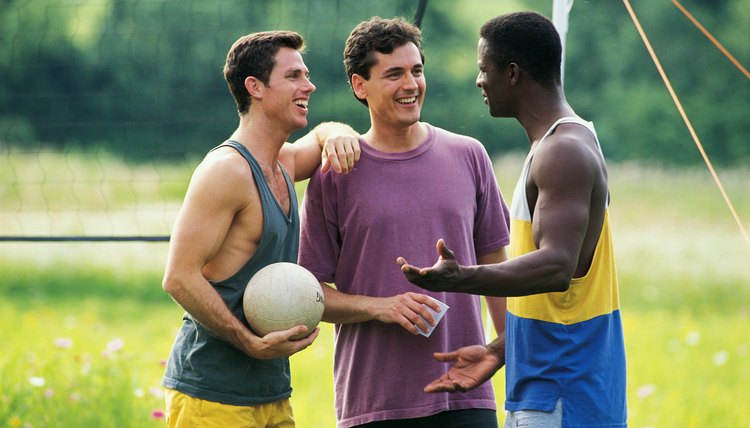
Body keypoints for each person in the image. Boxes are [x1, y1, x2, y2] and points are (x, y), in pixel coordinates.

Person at [398, 11, 627, 428]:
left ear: (514, 74)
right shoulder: (560, 143)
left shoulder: (563, 151)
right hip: (553, 387)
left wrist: (461, 278)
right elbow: (564, 290)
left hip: (563, 393)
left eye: (485, 69)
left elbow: (557, 266)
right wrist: (502, 350)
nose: (479, 81)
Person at [298, 17, 511, 428]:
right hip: (373, 403)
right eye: (394, 74)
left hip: (466, 396)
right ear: (360, 86)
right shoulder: (334, 173)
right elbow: (312, 296)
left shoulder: (469, 155)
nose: (411, 84)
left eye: (416, 70)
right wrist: (381, 308)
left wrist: (507, 352)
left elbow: (497, 270)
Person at [161, 30, 360, 427]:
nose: (309, 85)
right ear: (255, 87)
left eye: (306, 74)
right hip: (211, 396)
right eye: (294, 76)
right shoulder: (226, 171)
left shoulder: (281, 162)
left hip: (271, 394)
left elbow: (319, 138)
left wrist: (335, 130)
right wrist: (247, 341)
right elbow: (178, 278)